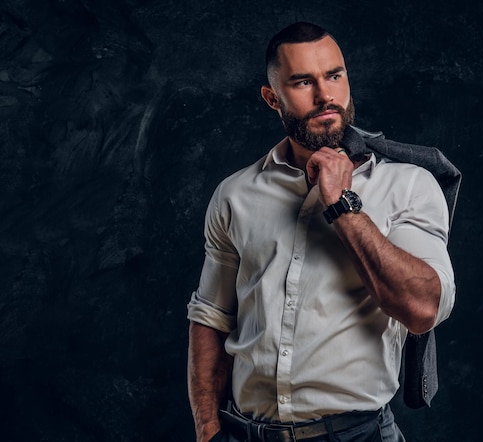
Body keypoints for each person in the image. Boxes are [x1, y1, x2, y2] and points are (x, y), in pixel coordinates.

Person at [187, 22, 458, 442]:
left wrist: (341, 204)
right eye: (302, 82)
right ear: (271, 98)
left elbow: (422, 308)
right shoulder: (235, 195)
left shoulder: (407, 185)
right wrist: (207, 430)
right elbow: (211, 317)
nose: (325, 95)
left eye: (334, 75)